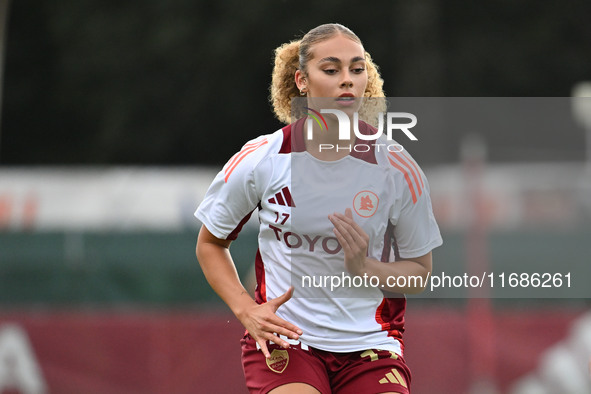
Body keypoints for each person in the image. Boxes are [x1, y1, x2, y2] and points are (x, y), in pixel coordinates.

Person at [195, 23, 442, 394]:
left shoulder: (396, 167)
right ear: (301, 81)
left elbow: (420, 274)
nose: (347, 80)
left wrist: (365, 267)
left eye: (357, 70)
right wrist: (247, 310)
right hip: (287, 342)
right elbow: (210, 244)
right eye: (331, 70)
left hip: (369, 346)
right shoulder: (263, 158)